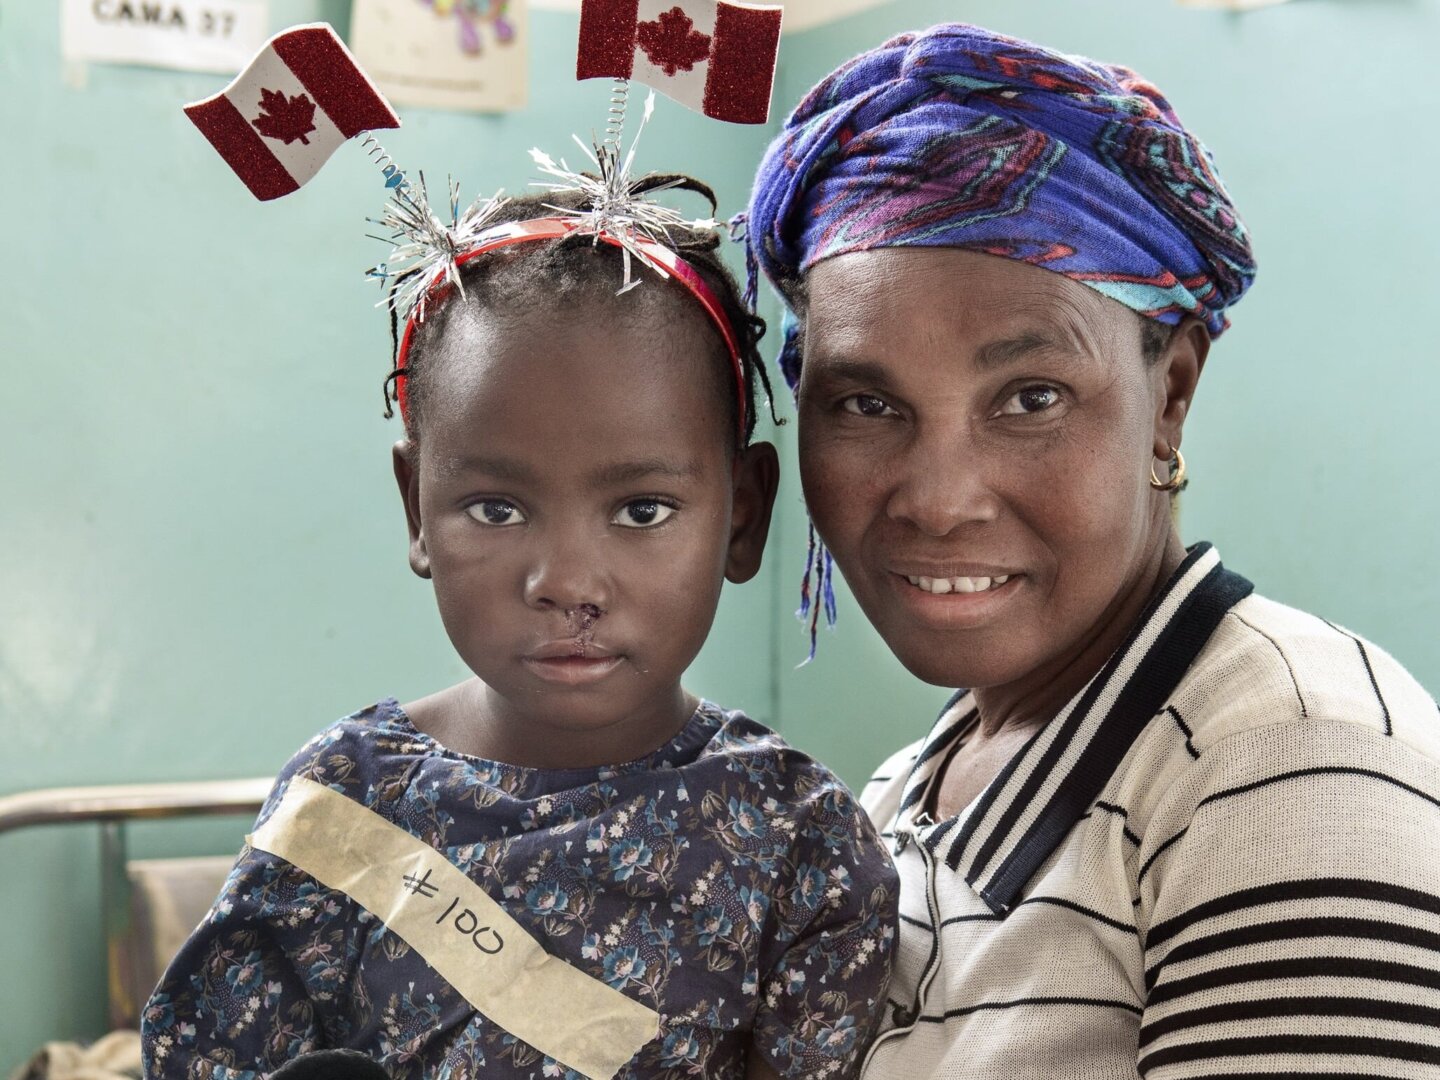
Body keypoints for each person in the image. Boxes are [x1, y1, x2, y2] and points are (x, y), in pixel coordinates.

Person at [746, 22, 1440, 1079]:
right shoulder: (895, 802)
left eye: (1031, 398)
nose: (937, 501)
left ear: (1170, 397)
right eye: (867, 402)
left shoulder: (1286, 754)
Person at [140, 181, 898, 1080]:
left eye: (643, 509)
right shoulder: (343, 803)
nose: (565, 582)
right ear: (415, 511)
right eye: (496, 509)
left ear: (742, 518)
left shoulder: (799, 843)